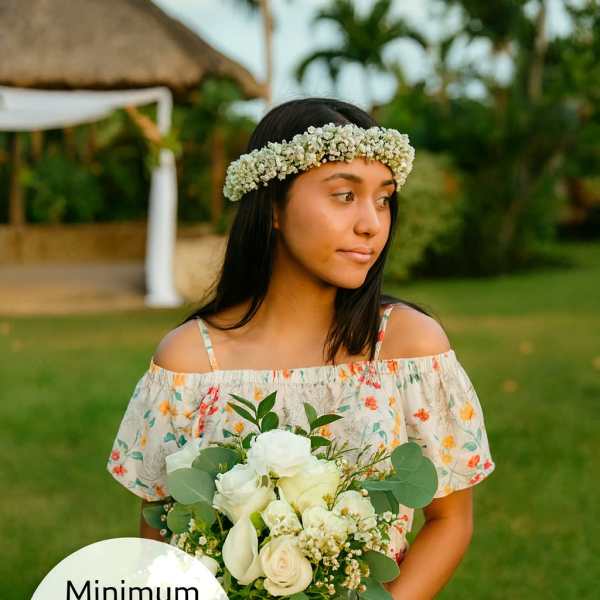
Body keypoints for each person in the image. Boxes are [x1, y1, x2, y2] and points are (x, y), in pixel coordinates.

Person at [106, 97, 496, 598]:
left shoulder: (408, 348)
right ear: (273, 206)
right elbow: (160, 536)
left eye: (383, 199)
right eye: (344, 195)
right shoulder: (188, 363)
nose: (371, 224)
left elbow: (450, 520)